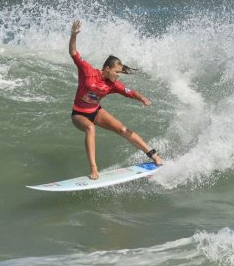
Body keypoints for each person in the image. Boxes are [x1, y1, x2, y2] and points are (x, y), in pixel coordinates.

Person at [69, 19, 163, 179]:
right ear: (107, 69)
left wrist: (142, 98)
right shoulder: (88, 71)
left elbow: (130, 92)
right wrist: (73, 35)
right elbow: (74, 53)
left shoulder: (113, 84)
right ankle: (93, 168)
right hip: (79, 114)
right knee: (90, 128)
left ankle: (153, 155)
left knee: (122, 129)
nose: (118, 76)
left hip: (96, 112)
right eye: (117, 72)